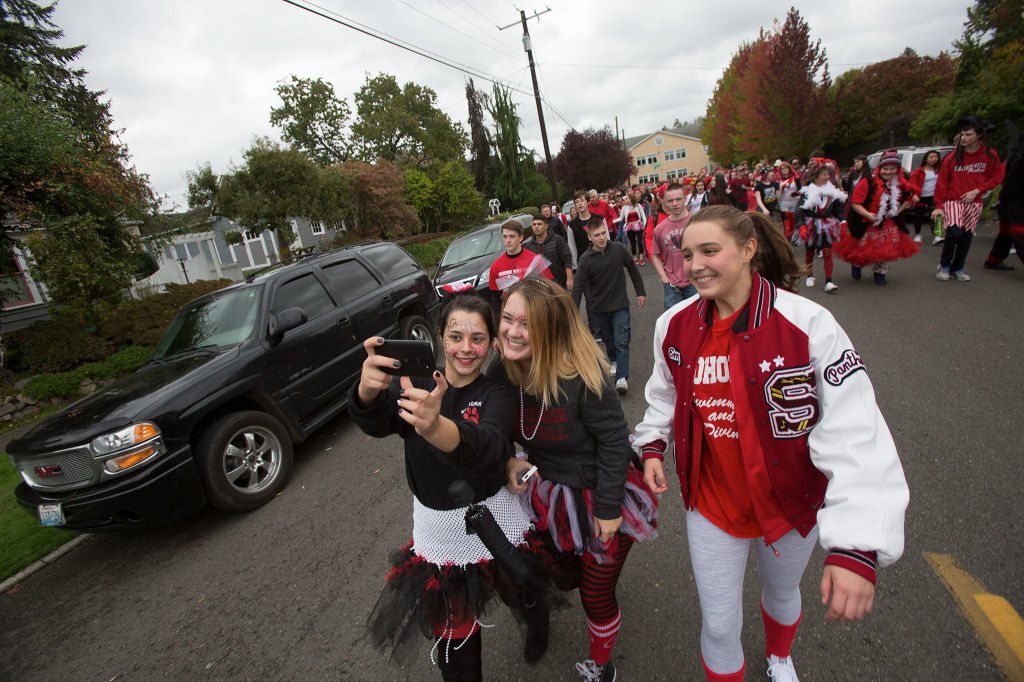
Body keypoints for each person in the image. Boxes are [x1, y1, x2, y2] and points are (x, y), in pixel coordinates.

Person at [634, 205, 909, 682]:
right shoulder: (673, 325)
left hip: (791, 504)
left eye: (710, 250)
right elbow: (664, 392)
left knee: (782, 594)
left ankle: (780, 658)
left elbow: (856, 428)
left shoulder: (809, 323)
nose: (695, 264)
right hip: (712, 504)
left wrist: (857, 546)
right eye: (687, 253)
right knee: (719, 625)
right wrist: (653, 444)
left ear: (747, 249)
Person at [353, 293, 561, 680]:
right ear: (438, 337)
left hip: (495, 519)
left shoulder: (496, 392)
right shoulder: (413, 383)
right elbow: (379, 422)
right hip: (440, 531)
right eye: (456, 336)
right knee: (456, 641)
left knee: (521, 586)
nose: (466, 348)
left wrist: (435, 426)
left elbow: (491, 446)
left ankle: (538, 625)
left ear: (492, 344)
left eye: (478, 338)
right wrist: (367, 390)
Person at [489, 277, 658, 682]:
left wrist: (607, 508)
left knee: (595, 594)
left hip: (600, 485)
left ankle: (602, 666)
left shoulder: (581, 374)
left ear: (550, 329)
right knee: (559, 577)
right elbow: (487, 431)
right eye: (508, 319)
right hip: (545, 491)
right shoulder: (502, 371)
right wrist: (509, 461)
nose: (513, 331)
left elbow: (616, 443)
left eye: (526, 324)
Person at [572, 218, 647, 394]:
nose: (602, 237)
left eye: (604, 233)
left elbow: (633, 270)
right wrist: (573, 312)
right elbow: (577, 288)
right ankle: (613, 360)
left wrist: (640, 292)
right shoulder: (585, 260)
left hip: (620, 304)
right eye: (597, 235)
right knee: (609, 340)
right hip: (599, 308)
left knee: (621, 340)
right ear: (589, 237)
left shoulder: (619, 249)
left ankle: (622, 378)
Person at [833, 149, 920, 285]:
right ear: (879, 169)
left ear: (897, 170)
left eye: (892, 169)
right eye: (885, 168)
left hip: (890, 221)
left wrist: (899, 209)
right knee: (863, 247)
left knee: (887, 247)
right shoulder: (867, 182)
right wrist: (867, 214)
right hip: (867, 221)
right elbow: (856, 203)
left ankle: (880, 273)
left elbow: (909, 197)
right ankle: (857, 264)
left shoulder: (901, 183)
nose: (889, 172)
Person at [934, 116, 1005, 281]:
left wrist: (978, 190)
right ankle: (944, 266)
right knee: (954, 233)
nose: (964, 138)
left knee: (966, 237)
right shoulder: (952, 157)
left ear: (979, 135)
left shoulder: (990, 155)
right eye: (963, 134)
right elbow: (942, 183)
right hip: (953, 200)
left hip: (974, 203)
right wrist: (938, 206)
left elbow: (997, 177)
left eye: (968, 134)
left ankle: (957, 268)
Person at [793, 161, 847, 293]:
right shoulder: (807, 193)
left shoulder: (833, 193)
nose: (827, 177)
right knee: (810, 253)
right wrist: (802, 227)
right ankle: (810, 275)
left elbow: (839, 211)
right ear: (816, 177)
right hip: (810, 225)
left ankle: (829, 281)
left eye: (828, 174)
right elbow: (799, 212)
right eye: (824, 174)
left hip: (826, 226)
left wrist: (843, 222)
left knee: (827, 253)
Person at [488, 219, 553, 317]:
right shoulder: (496, 266)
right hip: (511, 316)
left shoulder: (534, 260)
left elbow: (549, 288)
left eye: (512, 236)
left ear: (521, 237)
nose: (508, 240)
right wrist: (498, 323)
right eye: (505, 237)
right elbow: (496, 300)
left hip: (535, 313)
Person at [984, 121, 1024, 270]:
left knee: (1007, 233)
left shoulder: (1014, 156)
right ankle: (993, 259)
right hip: (1015, 202)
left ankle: (993, 259)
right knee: (1019, 233)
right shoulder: (1018, 158)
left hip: (1009, 200)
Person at [652, 182, 697, 311]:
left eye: (678, 199)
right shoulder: (660, 229)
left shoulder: (697, 222)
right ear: (665, 202)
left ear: (685, 198)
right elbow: (655, 254)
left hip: (695, 282)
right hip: (671, 286)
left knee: (698, 322)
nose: (675, 204)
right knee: (673, 324)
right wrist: (664, 279)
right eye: (670, 200)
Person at [525, 213, 574, 291]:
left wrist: (570, 278)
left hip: (560, 284)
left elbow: (567, 259)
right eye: (534, 224)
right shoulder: (529, 246)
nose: (536, 226)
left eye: (539, 224)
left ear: (546, 226)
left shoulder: (558, 240)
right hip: (541, 288)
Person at [908, 150, 943, 245]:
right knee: (919, 216)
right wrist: (914, 194)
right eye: (931, 157)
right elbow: (912, 184)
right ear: (926, 159)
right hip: (921, 197)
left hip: (934, 197)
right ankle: (917, 234)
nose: (934, 159)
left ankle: (937, 236)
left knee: (936, 215)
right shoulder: (918, 171)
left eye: (936, 157)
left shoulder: (939, 170)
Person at [620, 191, 648, 265]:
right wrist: (610, 221)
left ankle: (641, 258)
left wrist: (645, 225)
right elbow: (620, 218)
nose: (625, 199)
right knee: (633, 243)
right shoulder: (624, 208)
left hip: (638, 226)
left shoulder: (638, 206)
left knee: (640, 242)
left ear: (630, 199)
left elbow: (643, 216)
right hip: (629, 227)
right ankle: (635, 257)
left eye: (626, 198)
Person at [569, 191, 596, 265]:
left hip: (601, 259)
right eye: (577, 202)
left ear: (588, 202)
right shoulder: (571, 225)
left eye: (582, 200)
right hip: (583, 263)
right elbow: (572, 247)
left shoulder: (599, 219)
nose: (579, 203)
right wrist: (575, 266)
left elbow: (607, 240)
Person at [777, 162, 802, 239]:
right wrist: (780, 188)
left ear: (789, 169)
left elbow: (801, 190)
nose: (784, 170)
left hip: (794, 203)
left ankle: (793, 237)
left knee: (793, 223)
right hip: (784, 203)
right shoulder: (778, 181)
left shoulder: (795, 178)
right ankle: (787, 240)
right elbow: (778, 197)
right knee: (786, 223)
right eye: (782, 169)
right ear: (780, 171)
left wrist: (797, 193)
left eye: (786, 168)